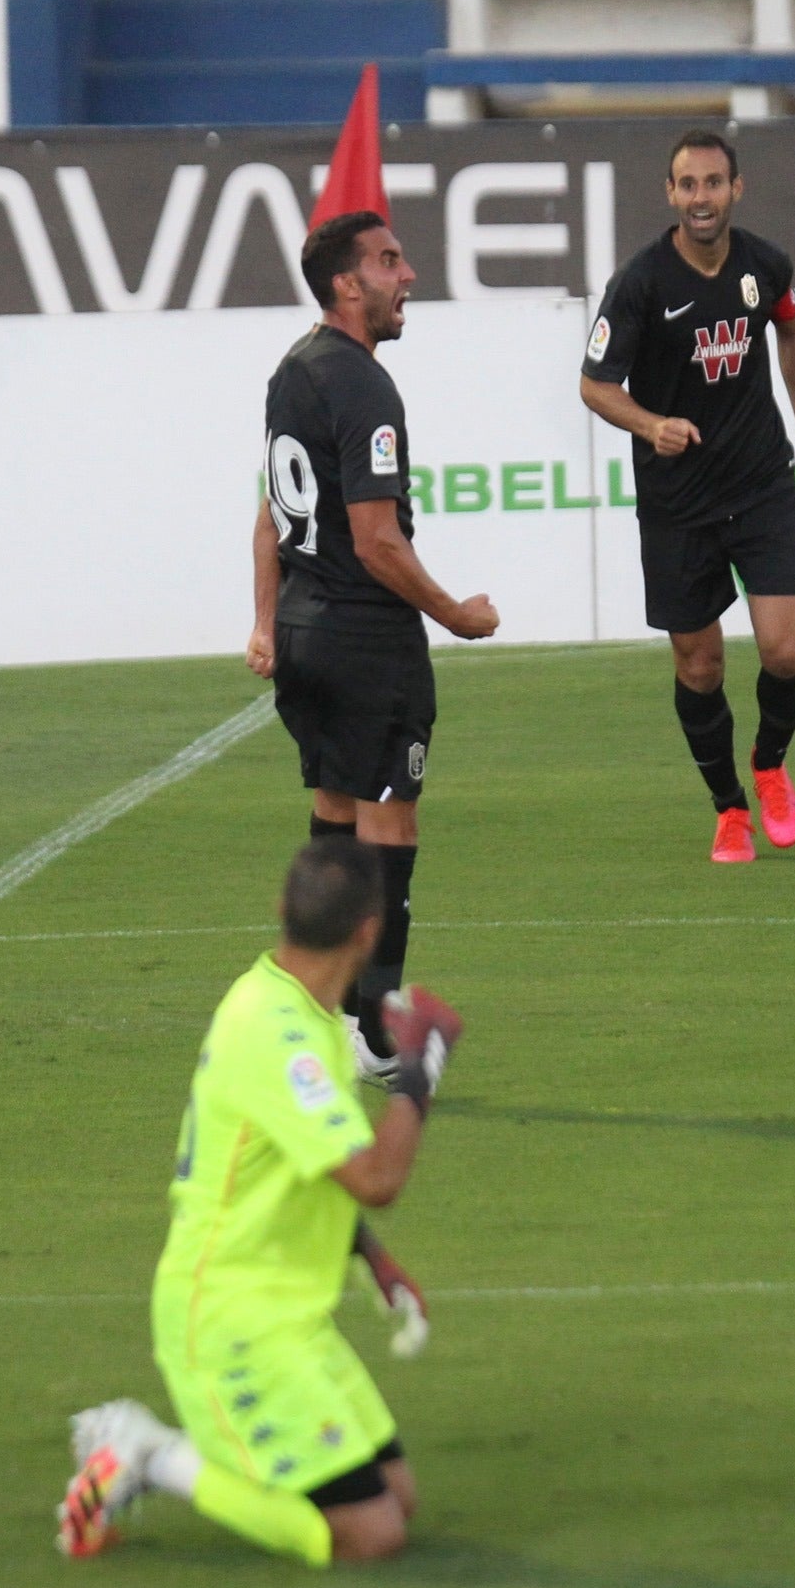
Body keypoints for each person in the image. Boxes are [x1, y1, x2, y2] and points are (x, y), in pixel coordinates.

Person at [56, 836, 464, 1564]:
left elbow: (306, 1163)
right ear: (368, 932)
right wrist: (418, 1073)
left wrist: (369, 1257)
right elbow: (376, 1179)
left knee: (396, 1498)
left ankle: (156, 1455)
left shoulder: (295, 1007)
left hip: (286, 1311)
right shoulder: (279, 1036)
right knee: (371, 1536)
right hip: (229, 1319)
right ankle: (147, 1454)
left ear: (281, 910)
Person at [245, 210, 498, 1071]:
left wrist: (262, 620)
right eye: (389, 262)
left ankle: (317, 1010)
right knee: (391, 831)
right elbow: (376, 539)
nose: (408, 276)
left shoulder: (293, 370)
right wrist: (454, 613)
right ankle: (379, 1034)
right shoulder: (360, 382)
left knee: (333, 816)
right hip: (363, 641)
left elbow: (269, 514)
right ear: (346, 285)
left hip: (304, 634)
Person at [580, 131, 795, 864]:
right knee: (699, 668)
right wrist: (650, 423)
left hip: (758, 486)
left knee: (785, 652)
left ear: (735, 189)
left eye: (712, 183)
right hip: (676, 504)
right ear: (669, 194)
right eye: (686, 184)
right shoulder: (640, 283)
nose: (700, 198)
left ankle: (770, 763)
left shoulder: (763, 264)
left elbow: (790, 332)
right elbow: (593, 383)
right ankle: (728, 810)